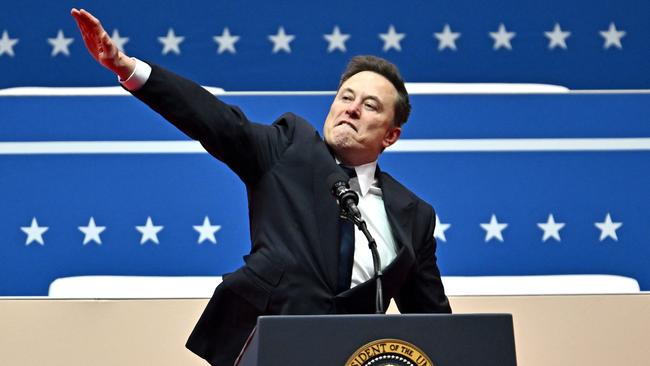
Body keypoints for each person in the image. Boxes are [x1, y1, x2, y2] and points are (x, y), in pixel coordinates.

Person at [71, 8, 451, 366]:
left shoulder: (414, 216)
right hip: (265, 349)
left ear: (391, 135)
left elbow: (436, 327)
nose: (351, 109)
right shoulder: (289, 148)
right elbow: (216, 120)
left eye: (370, 105)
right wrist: (127, 68)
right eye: (345, 97)